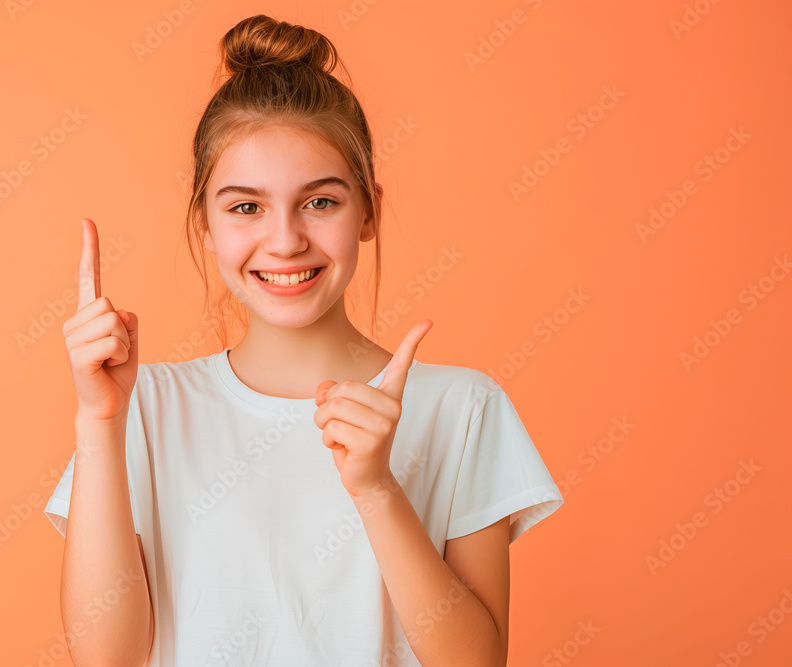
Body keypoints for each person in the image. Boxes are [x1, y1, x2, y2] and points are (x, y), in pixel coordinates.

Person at [45, 13, 564, 667]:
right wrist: (98, 420)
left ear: (368, 211)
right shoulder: (144, 407)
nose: (285, 239)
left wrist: (377, 489)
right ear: (203, 223)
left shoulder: (464, 408)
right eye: (245, 207)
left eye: (320, 202)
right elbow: (106, 658)